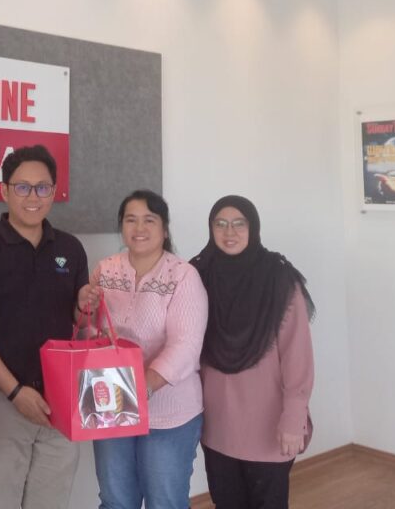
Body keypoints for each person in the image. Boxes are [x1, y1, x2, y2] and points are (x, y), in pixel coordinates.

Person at [0, 145, 99, 509]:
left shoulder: (70, 248)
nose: (34, 197)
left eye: (43, 187)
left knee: (51, 503)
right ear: (5, 191)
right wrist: (15, 392)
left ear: (54, 191)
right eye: (23, 187)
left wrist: (84, 308)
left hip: (61, 401)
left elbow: (78, 325)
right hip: (1, 399)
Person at [190, 196, 315, 509]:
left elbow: (297, 355)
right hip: (218, 425)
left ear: (253, 228)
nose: (229, 232)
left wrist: (294, 418)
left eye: (239, 224)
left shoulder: (278, 279)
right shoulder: (199, 275)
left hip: (269, 424)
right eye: (220, 224)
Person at [90, 190, 208, 509]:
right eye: (131, 220)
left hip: (169, 413)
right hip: (112, 406)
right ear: (121, 227)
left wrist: (143, 386)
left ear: (164, 229)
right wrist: (82, 307)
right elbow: (89, 333)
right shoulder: (105, 270)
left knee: (164, 502)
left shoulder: (183, 275)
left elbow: (186, 345)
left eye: (149, 220)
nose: (139, 228)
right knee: (115, 501)